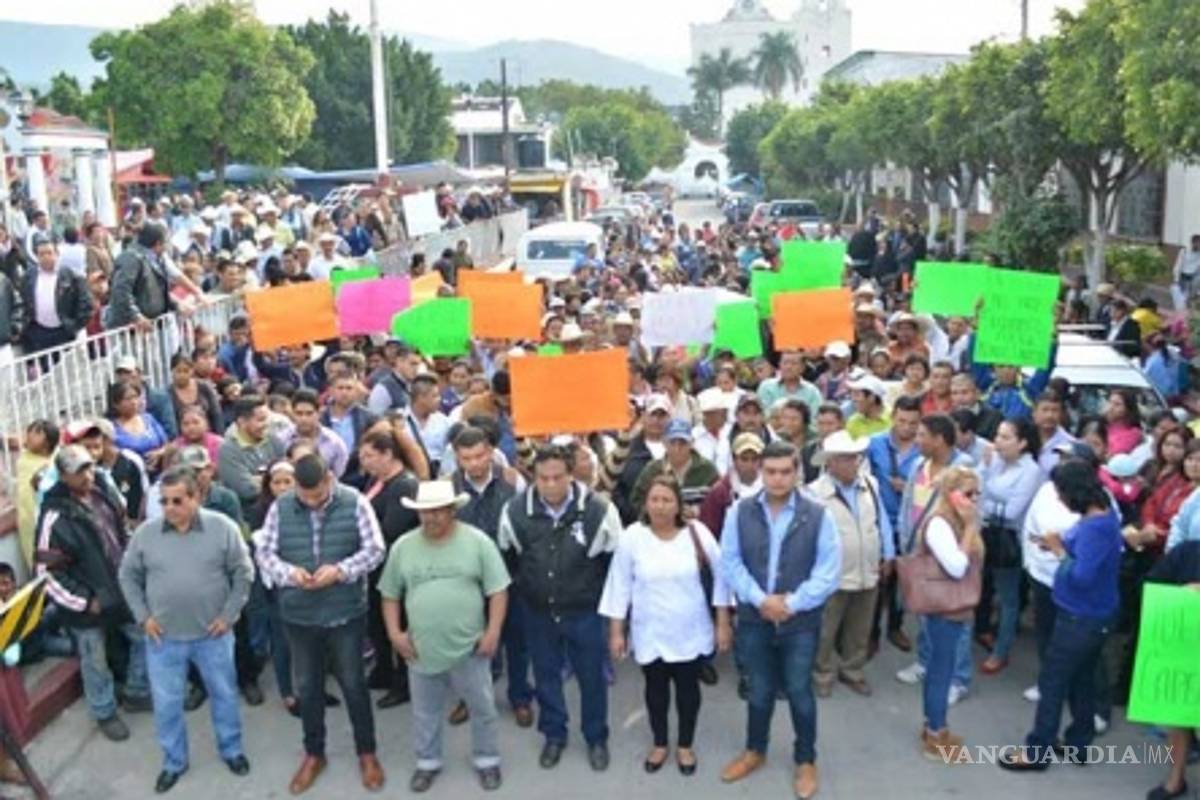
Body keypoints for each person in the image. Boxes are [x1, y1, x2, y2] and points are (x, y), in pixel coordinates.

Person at [254, 454, 386, 794]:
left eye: (317, 496)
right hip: (299, 614)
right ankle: (315, 753)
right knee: (308, 687)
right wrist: (290, 574)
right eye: (305, 496)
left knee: (354, 684)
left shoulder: (354, 502)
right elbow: (265, 554)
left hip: (345, 612)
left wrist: (340, 571)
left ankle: (367, 752)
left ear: (329, 479)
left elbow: (375, 549)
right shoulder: (281, 507)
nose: (311, 503)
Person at [118, 467, 254, 794]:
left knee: (223, 695)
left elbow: (243, 573)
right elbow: (128, 576)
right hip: (163, 639)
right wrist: (142, 617)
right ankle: (173, 762)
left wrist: (229, 615)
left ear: (197, 497)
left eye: (178, 500)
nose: (169, 508)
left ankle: (232, 750)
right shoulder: (146, 534)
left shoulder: (222, 528)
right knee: (167, 705)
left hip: (214, 636)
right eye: (164, 501)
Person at [718, 441, 841, 800]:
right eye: (770, 471)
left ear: (797, 472)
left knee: (800, 690)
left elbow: (827, 572)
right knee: (759, 690)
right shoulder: (739, 512)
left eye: (785, 471)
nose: (777, 478)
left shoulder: (819, 515)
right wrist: (760, 601)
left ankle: (805, 759)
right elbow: (731, 562)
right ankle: (755, 750)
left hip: (799, 622)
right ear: (761, 472)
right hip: (755, 619)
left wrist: (790, 604)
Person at [496, 445, 623, 771]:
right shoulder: (514, 512)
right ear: (533, 477)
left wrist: (611, 618)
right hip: (538, 613)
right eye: (543, 478)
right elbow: (509, 560)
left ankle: (596, 737)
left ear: (571, 475)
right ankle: (554, 734)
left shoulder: (599, 511)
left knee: (592, 677)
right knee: (546, 676)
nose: (550, 485)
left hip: (585, 613)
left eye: (557, 478)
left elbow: (615, 567)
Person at [379, 481, 510, 793]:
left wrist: (492, 632)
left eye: (438, 510)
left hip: (471, 647)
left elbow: (498, 590)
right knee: (425, 712)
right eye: (425, 511)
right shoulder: (403, 547)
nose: (431, 517)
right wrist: (395, 634)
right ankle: (427, 763)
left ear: (452, 510)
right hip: (421, 648)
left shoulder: (477, 542)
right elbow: (389, 595)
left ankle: (487, 759)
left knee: (482, 707)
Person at [599, 476, 732, 776]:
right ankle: (660, 742)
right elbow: (619, 585)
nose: (660, 506)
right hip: (650, 630)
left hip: (690, 629)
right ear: (645, 503)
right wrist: (617, 631)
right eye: (654, 499)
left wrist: (722, 622)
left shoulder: (696, 533)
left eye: (667, 500)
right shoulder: (633, 536)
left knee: (688, 691)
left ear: (678, 505)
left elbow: (723, 575)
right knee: (655, 691)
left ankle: (685, 744)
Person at [999, 460, 1122, 771]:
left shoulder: (1096, 527)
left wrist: (1058, 550)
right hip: (1095, 615)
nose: (1059, 499)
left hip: (1080, 616)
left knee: (1053, 681)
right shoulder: (1100, 516)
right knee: (1081, 681)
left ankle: (1038, 749)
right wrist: (1055, 543)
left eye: (1061, 493)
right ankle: (1079, 742)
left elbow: (1081, 576)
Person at [35, 445, 151, 742]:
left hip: (120, 588)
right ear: (63, 476)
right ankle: (104, 711)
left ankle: (136, 691)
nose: (87, 476)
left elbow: (120, 529)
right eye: (79, 472)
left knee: (143, 636)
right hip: (86, 606)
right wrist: (86, 601)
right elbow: (47, 574)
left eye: (89, 467)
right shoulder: (54, 517)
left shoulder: (102, 492)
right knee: (94, 659)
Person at [448, 426, 531, 726]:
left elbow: (527, 525)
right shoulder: (448, 487)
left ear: (491, 453)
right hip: (468, 581)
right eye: (466, 458)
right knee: (470, 644)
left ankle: (520, 697)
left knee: (516, 641)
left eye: (480, 455)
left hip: (511, 576)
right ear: (457, 458)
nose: (474, 463)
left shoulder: (512, 480)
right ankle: (470, 698)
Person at [808, 431, 893, 697]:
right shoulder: (814, 494)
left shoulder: (870, 485)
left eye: (854, 458)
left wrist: (888, 553)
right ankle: (822, 673)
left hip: (868, 568)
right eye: (844, 458)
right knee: (826, 627)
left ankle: (852, 670)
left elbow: (882, 522)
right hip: (833, 574)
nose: (852, 463)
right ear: (830, 462)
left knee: (861, 626)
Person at [915, 466, 983, 761]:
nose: (974, 500)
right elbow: (956, 567)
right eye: (969, 494)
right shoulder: (940, 524)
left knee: (942, 666)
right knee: (941, 669)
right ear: (951, 494)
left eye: (977, 493)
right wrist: (969, 528)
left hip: (955, 604)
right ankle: (935, 733)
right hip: (943, 605)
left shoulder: (955, 519)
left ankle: (936, 726)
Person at [976, 419, 1044, 675]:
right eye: (997, 436)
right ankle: (981, 631)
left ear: (1023, 443)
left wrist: (981, 503)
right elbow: (975, 484)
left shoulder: (1031, 471)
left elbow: (1013, 511)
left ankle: (1001, 650)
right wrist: (984, 465)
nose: (998, 442)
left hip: (1008, 540)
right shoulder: (995, 460)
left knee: (1007, 598)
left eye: (1005, 437)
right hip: (984, 532)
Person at [358, 430, 419, 709]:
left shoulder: (403, 485)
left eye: (370, 455)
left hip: (396, 567)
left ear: (388, 454)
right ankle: (383, 670)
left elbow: (391, 528)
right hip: (375, 568)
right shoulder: (377, 481)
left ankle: (403, 682)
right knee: (377, 623)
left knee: (398, 624)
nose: (364, 461)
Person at [1141, 539, 1200, 799]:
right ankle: (1175, 780)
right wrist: (1180, 594)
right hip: (1182, 651)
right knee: (1179, 719)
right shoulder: (1189, 551)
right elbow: (1152, 583)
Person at [866, 395, 921, 654]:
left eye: (913, 423)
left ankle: (895, 627)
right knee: (879, 579)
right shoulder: (875, 444)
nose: (907, 427)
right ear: (893, 418)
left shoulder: (924, 447)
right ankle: (871, 632)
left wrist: (909, 487)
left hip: (910, 524)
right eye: (902, 421)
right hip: (879, 521)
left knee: (901, 580)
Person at [630, 419, 720, 519]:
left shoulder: (708, 470)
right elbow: (636, 502)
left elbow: (719, 503)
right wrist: (657, 511)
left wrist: (698, 511)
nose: (677, 448)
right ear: (664, 443)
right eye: (672, 443)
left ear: (691, 443)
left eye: (682, 443)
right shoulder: (652, 470)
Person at [19, 238, 93, 358]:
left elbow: (85, 303)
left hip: (64, 331)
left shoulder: (71, 276)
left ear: (57, 254)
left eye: (49, 253)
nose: (45, 257)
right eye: (41, 254)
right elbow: (22, 301)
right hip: (38, 332)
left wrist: (74, 325)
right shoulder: (29, 277)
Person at [216, 395, 285, 516]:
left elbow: (289, 476)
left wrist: (259, 479)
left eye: (267, 419)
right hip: (249, 515)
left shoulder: (274, 440)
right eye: (260, 420)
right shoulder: (228, 450)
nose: (266, 424)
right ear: (242, 422)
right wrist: (273, 479)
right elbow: (246, 490)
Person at [107, 224, 173, 330]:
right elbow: (121, 291)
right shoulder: (131, 258)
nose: (167, 247)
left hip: (150, 325)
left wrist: (176, 305)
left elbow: (160, 292)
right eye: (166, 242)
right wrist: (136, 316)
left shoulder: (157, 259)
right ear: (158, 243)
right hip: (130, 329)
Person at [282, 389, 348, 479]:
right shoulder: (281, 440)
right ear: (292, 413)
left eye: (309, 414)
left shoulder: (334, 443)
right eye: (299, 413)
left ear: (319, 413)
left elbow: (340, 477)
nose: (303, 419)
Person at [167, 354, 222, 435]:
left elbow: (216, 415)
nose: (182, 375)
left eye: (186, 371)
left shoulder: (204, 387)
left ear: (192, 370)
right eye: (178, 371)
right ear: (172, 371)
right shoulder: (168, 393)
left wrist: (219, 437)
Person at [757, 352, 822, 421]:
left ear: (802, 368)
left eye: (793, 363)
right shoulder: (766, 386)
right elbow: (764, 415)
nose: (788, 367)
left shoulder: (812, 391)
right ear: (779, 365)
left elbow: (815, 419)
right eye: (785, 363)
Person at [845, 375, 891, 440]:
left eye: (857, 394)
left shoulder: (895, 418)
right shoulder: (852, 422)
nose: (853, 399)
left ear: (871, 397)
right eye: (852, 394)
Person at [1104, 388, 1144, 456]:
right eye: (1110, 402)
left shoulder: (1133, 433)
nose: (1110, 407)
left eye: (1117, 404)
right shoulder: (1103, 426)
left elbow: (1114, 454)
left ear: (1128, 409)